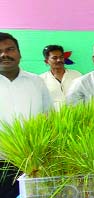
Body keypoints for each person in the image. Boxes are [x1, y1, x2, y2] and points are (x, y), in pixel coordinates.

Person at [0, 32, 52, 198]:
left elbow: (49, 117)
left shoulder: (36, 82)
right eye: (0, 51)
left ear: (19, 53)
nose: (4, 54)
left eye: (10, 49)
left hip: (35, 161)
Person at [40, 45, 81, 110]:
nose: (59, 60)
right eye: (54, 58)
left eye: (61, 57)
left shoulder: (76, 75)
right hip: (53, 118)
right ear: (46, 61)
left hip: (77, 116)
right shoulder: (41, 80)